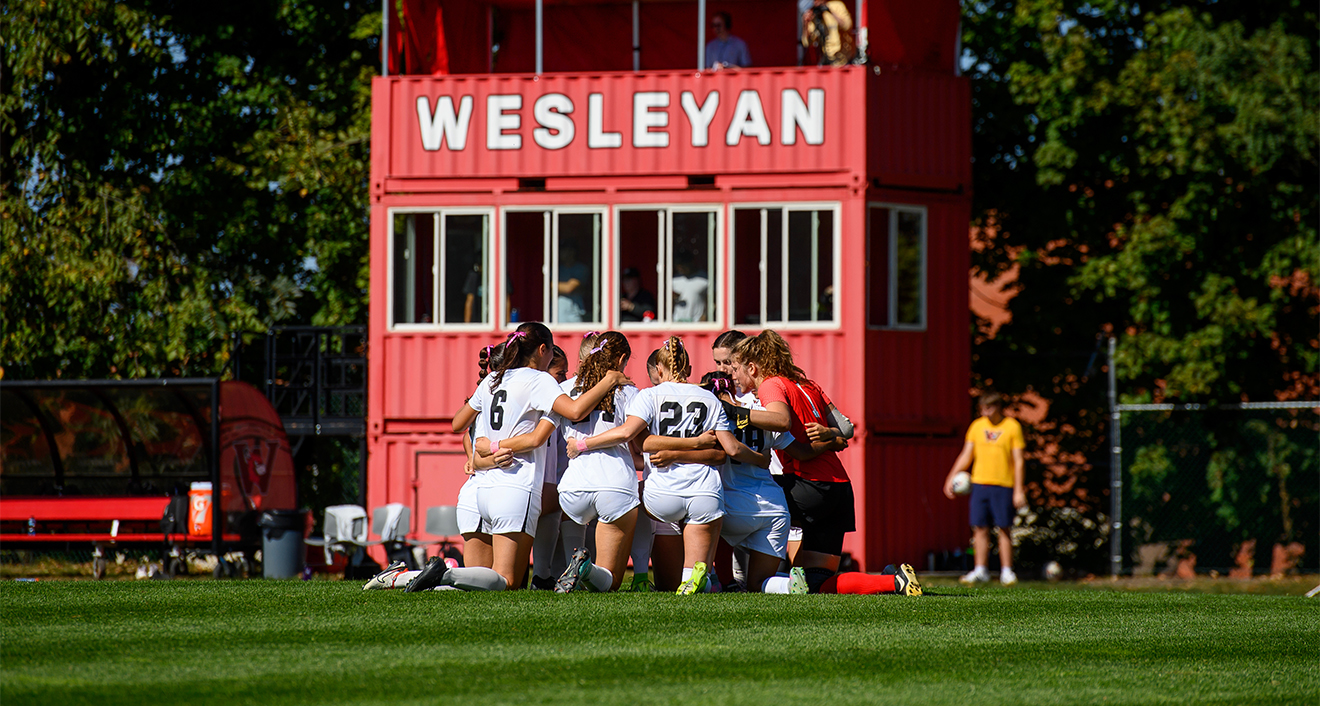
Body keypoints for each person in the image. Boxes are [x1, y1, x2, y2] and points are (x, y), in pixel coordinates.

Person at [406, 323, 628, 593]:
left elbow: (457, 423)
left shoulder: (493, 378)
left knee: (482, 584)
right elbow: (575, 411)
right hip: (515, 486)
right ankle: (447, 573)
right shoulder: (538, 379)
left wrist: (487, 448)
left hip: (482, 490)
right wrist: (609, 380)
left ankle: (412, 578)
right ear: (542, 349)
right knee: (507, 581)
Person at [567, 336, 765, 595]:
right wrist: (695, 443)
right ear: (689, 369)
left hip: (661, 494)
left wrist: (584, 445)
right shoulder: (709, 398)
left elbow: (643, 442)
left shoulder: (648, 395)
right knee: (691, 577)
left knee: (666, 585)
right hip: (703, 492)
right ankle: (700, 576)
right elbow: (723, 453)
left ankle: (644, 574)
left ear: (658, 370)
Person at [731, 331, 921, 596]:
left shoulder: (770, 383)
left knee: (725, 500)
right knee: (816, 583)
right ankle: (893, 581)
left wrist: (732, 410)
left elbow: (781, 420)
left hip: (810, 486)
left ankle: (725, 581)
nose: (732, 375)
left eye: (736, 368)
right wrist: (830, 435)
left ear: (753, 367)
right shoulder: (808, 384)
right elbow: (844, 427)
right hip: (838, 489)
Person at [551, 332, 642, 592]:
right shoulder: (630, 392)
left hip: (572, 488)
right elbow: (638, 443)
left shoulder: (563, 389)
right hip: (615, 485)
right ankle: (585, 569)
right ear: (622, 359)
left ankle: (575, 569)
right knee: (609, 582)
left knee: (582, 578)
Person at [944, 392, 1027, 586]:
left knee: (1004, 527)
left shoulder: (1012, 427)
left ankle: (1007, 571)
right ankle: (980, 569)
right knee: (979, 527)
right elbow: (966, 455)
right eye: (982, 409)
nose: (985, 412)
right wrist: (950, 477)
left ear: (998, 407)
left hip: (1004, 484)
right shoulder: (977, 426)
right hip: (980, 484)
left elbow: (1019, 460)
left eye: (988, 408)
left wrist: (1018, 490)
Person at [801, 0, 855, 67]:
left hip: (845, 59)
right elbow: (807, 43)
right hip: (829, 61)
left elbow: (847, 26)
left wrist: (830, 11)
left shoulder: (837, 6)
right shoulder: (815, 15)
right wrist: (805, 24)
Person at [671, 259, 709, 323]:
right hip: (677, 321)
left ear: (691, 264)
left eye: (683, 266)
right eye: (678, 266)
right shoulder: (674, 280)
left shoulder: (704, 279)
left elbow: (711, 300)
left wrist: (705, 315)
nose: (680, 268)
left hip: (696, 321)